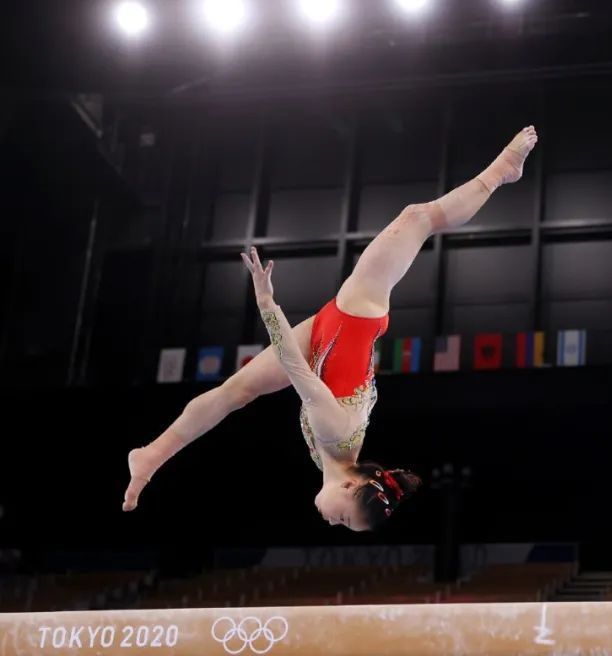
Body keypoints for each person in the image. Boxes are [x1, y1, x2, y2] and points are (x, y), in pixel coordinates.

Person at [122, 125, 539, 530]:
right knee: (418, 218)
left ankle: (151, 456)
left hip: (325, 339)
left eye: (340, 523)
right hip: (357, 313)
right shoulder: (334, 435)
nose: (332, 521)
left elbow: (308, 370)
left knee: (237, 391)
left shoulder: (330, 459)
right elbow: (294, 366)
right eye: (343, 517)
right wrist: (266, 303)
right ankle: (501, 171)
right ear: (352, 485)